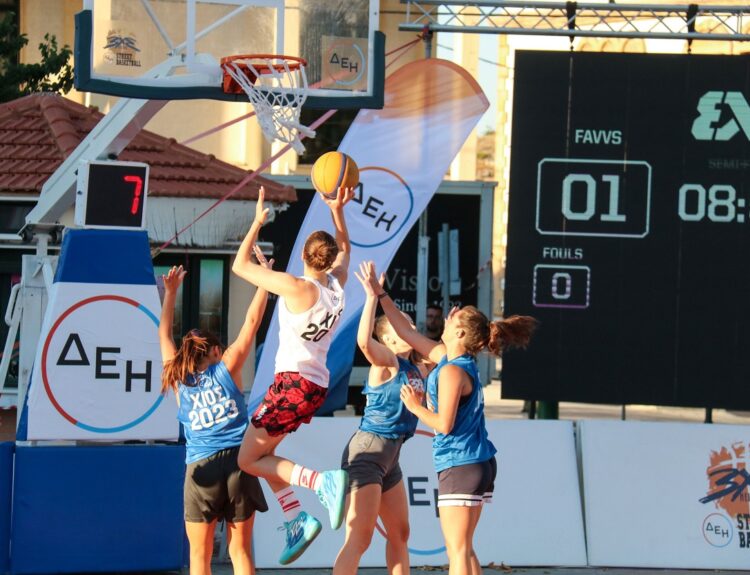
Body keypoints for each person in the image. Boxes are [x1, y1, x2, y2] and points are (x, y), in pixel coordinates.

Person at [361, 261, 537, 575]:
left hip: (461, 462)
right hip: (475, 460)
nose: (446, 315)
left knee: (457, 552)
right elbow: (406, 334)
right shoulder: (450, 358)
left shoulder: (453, 370)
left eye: (453, 316)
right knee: (465, 549)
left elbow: (443, 424)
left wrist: (416, 408)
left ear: (458, 331)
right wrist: (380, 294)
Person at [232, 185, 354, 565]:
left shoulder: (298, 286)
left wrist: (255, 223)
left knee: (247, 461)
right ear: (330, 260)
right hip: (314, 384)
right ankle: (295, 518)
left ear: (303, 254)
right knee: (267, 456)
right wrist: (338, 211)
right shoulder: (335, 286)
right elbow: (346, 249)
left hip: (293, 383)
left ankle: (322, 482)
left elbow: (238, 266)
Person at [159, 259, 272, 575]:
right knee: (239, 551)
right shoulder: (227, 370)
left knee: (199, 556)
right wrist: (265, 280)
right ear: (213, 352)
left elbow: (164, 335)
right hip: (239, 462)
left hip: (201, 467)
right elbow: (251, 323)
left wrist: (171, 294)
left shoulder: (179, 379)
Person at [332, 263, 429, 575]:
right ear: (390, 340)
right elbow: (363, 342)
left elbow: (445, 355)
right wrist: (372, 296)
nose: (409, 329)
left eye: (411, 324)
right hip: (368, 452)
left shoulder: (419, 367)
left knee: (400, 534)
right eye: (403, 327)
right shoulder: (387, 362)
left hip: (390, 457)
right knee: (359, 538)